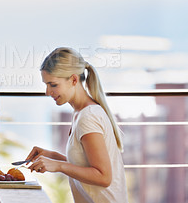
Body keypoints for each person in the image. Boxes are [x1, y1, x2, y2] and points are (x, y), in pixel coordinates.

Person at [26, 47, 128, 203]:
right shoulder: (81, 113)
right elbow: (85, 165)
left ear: (74, 80)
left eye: (53, 85)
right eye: (46, 85)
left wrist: (59, 166)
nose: (47, 92)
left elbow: (103, 177)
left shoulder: (88, 117)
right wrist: (53, 157)